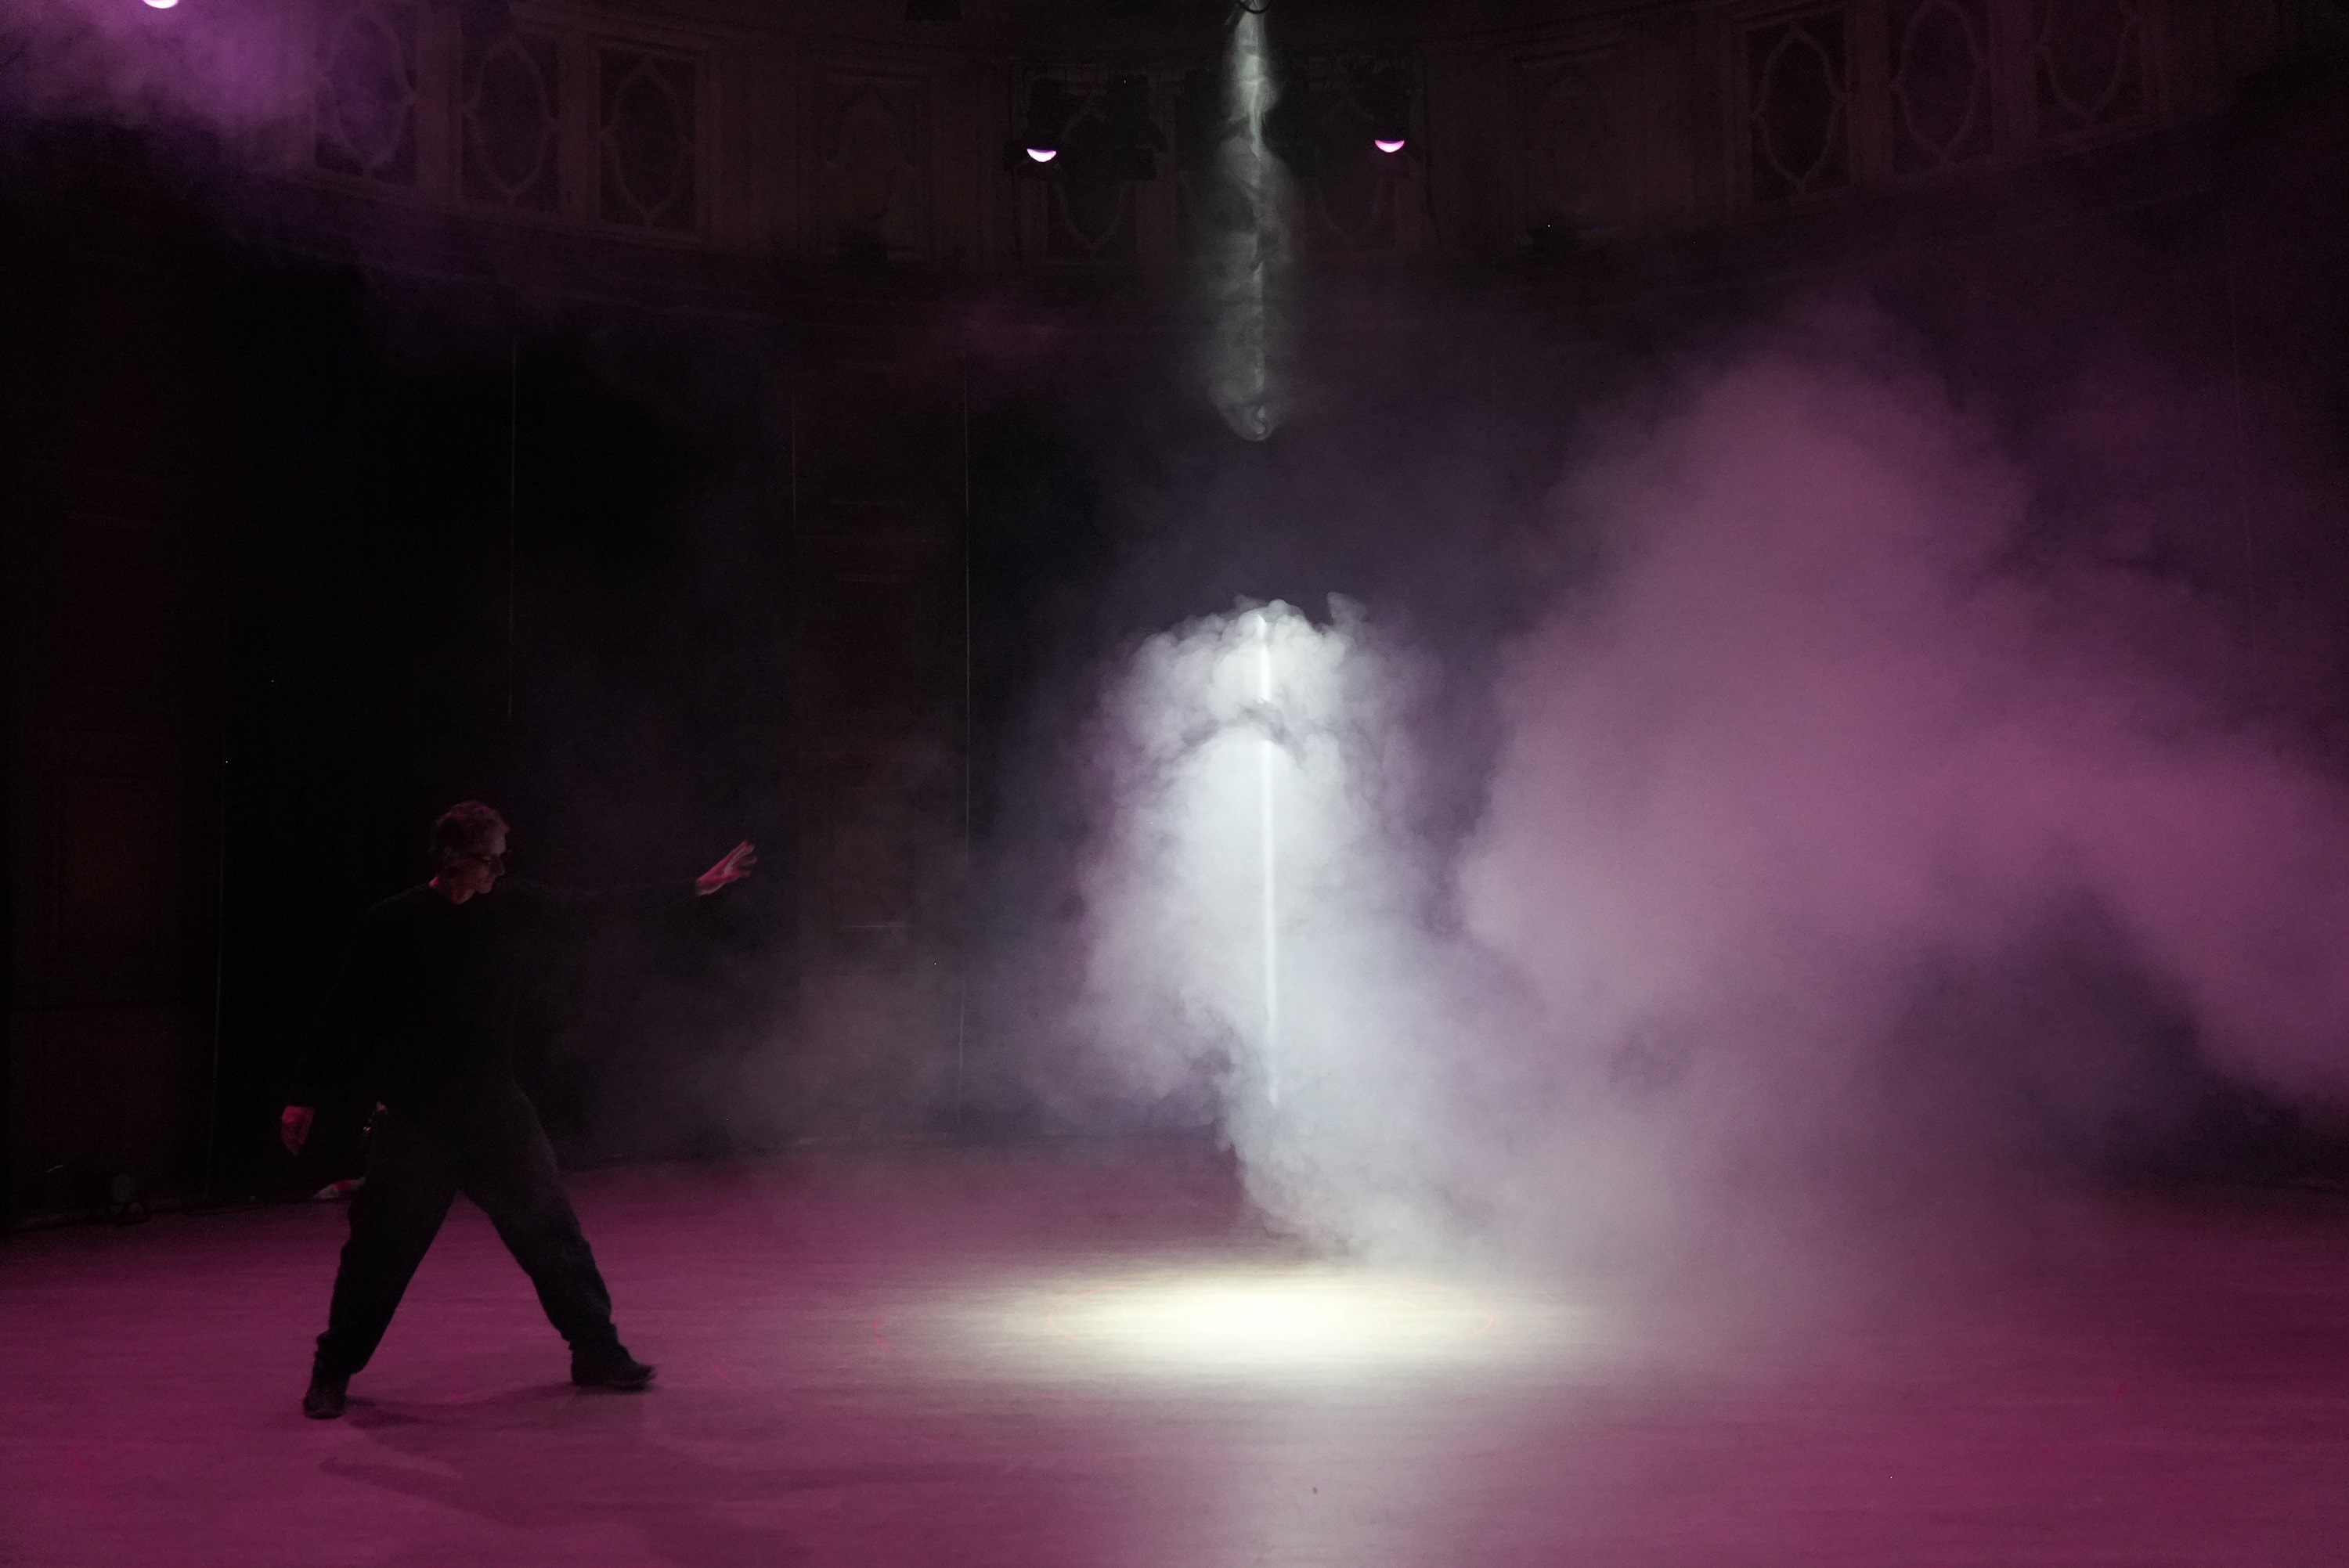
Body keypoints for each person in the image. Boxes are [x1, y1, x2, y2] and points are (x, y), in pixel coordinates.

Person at [281, 801, 756, 1419]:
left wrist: (694, 887)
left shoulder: (510, 906)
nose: (501, 870)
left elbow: (599, 907)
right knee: (378, 1253)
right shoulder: (393, 922)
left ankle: (597, 1350)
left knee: (553, 1234)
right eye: (491, 859)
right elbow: (343, 1011)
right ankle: (333, 1369)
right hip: (416, 1120)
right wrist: (304, 1095)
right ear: (453, 858)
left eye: (504, 858)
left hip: (494, 1114)